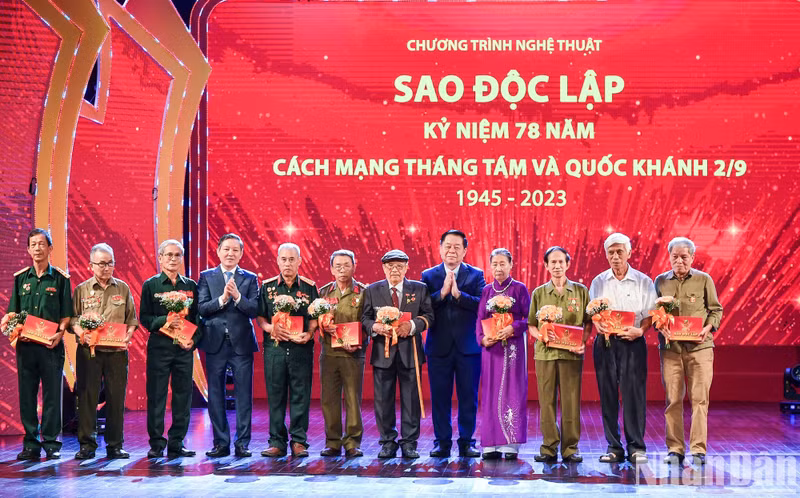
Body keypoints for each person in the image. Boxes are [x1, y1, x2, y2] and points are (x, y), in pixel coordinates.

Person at [3, 228, 72, 460]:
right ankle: (31, 443)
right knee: (27, 395)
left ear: (50, 248)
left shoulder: (61, 279)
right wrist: (13, 329)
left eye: (42, 244)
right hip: (26, 347)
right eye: (33, 244)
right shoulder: (20, 278)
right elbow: (13, 312)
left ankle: (51, 443)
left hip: (51, 347)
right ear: (28, 249)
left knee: (52, 395)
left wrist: (60, 334)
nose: (37, 248)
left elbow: (66, 314)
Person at [589, 233, 657, 464]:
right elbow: (592, 313)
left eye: (620, 251)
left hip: (633, 342)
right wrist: (598, 325)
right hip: (606, 344)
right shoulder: (599, 281)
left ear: (629, 253)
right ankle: (613, 447)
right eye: (611, 252)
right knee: (608, 395)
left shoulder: (643, 281)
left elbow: (650, 315)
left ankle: (637, 447)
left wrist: (641, 331)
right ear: (606, 255)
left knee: (633, 395)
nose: (615, 256)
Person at [655, 237, 723, 466]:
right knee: (673, 400)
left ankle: (698, 450)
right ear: (669, 257)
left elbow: (716, 310)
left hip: (700, 349)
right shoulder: (660, 281)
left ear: (692, 258)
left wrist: (708, 328)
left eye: (684, 256)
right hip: (671, 350)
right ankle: (675, 449)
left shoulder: (704, 280)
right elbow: (655, 313)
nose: (679, 261)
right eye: (675, 256)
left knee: (699, 400)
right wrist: (660, 326)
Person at [362, 249, 434, 459]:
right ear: (384, 268)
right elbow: (365, 319)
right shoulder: (373, 290)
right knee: (383, 400)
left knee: (411, 400)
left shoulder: (419, 289)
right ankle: (387, 442)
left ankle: (409, 443)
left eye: (399, 266)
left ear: (406, 267)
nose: (395, 270)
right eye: (390, 266)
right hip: (382, 353)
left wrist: (411, 326)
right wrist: (376, 327)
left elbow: (429, 315)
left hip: (410, 352)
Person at [421, 230, 485, 458]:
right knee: (440, 397)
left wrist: (458, 295)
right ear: (440, 249)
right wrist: (442, 293)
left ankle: (467, 441)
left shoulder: (476, 275)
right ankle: (442, 442)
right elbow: (423, 306)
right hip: (438, 347)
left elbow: (482, 305)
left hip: (469, 347)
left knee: (468, 396)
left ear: (465, 251)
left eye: (457, 246)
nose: (452, 250)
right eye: (448, 246)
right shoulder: (428, 276)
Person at [71, 243, 138, 460]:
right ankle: (87, 445)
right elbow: (73, 319)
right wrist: (83, 334)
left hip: (116, 352)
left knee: (116, 398)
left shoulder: (123, 288)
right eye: (101, 263)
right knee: (88, 397)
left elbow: (131, 320)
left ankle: (115, 445)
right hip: (88, 352)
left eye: (110, 263)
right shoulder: (81, 289)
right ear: (91, 265)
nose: (106, 268)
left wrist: (128, 335)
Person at [197, 234, 259, 458]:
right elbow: (202, 308)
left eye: (235, 250)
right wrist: (223, 299)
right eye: (226, 249)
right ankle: (220, 443)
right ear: (218, 251)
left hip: (241, 343)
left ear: (241, 253)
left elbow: (254, 310)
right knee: (215, 395)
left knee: (244, 395)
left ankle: (242, 443)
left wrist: (238, 297)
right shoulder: (206, 277)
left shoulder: (250, 278)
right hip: (215, 344)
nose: (230, 253)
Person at [528, 246, 591, 463]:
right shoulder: (539, 293)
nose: (556, 266)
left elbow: (589, 322)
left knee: (571, 401)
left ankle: (570, 448)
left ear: (567, 264)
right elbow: (531, 325)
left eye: (560, 262)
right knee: (546, 402)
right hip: (545, 355)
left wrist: (582, 342)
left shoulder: (581, 291)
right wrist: (541, 337)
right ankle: (549, 447)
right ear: (546, 266)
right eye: (552, 262)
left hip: (572, 356)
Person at [257, 243, 319, 458]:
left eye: (292, 259)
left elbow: (314, 317)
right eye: (284, 259)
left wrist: (310, 334)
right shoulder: (267, 286)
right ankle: (277, 442)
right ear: (277, 261)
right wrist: (269, 328)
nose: (288, 263)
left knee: (300, 395)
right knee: (275, 395)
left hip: (301, 349)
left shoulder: (310, 287)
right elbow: (261, 316)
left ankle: (299, 441)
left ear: (300, 261)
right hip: (275, 350)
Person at [140, 239, 200, 459]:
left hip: (184, 349)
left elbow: (197, 318)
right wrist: (164, 320)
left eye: (177, 255)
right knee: (156, 396)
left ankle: (177, 442)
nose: (173, 259)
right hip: (159, 348)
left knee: (183, 397)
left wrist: (194, 341)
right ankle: (156, 443)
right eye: (169, 255)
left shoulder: (191, 285)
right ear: (160, 257)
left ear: (182, 258)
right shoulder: (151, 285)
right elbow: (144, 318)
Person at [475, 248, 530, 460]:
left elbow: (529, 319)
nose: (498, 268)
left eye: (502, 264)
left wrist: (514, 328)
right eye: (495, 264)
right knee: (490, 391)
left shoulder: (519, 289)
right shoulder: (487, 291)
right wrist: (482, 339)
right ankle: (490, 442)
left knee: (512, 390)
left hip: (513, 348)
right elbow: (479, 319)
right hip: (492, 349)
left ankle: (510, 442)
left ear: (510, 265)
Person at [317, 250, 367, 458]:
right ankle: (333, 442)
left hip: (353, 354)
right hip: (329, 354)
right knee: (329, 399)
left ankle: (352, 442)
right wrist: (322, 326)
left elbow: (368, 321)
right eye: (337, 265)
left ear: (354, 266)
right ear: (331, 269)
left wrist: (361, 341)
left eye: (346, 265)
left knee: (353, 399)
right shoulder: (323, 292)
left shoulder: (363, 292)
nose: (342, 269)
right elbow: (315, 318)